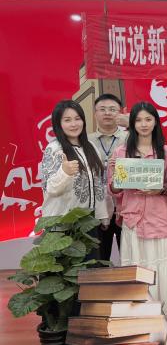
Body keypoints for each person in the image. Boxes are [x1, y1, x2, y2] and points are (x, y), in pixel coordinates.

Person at [108, 102, 167, 318]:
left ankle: (164, 313)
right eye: (138, 120)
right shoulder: (121, 152)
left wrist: (160, 190)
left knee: (161, 267)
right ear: (132, 123)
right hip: (133, 221)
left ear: (156, 122)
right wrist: (118, 180)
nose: (144, 124)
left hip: (160, 221)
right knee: (136, 267)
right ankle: (137, 316)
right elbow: (113, 190)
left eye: (148, 119)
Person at [41, 100, 109, 250]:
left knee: (93, 264)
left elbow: (98, 185)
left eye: (77, 119)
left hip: (89, 224)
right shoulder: (54, 149)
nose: (73, 124)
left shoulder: (91, 147)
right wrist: (64, 173)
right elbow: (50, 188)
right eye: (67, 120)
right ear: (58, 124)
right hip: (63, 226)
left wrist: (102, 215)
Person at [89, 93, 128, 263]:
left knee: (129, 257)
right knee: (99, 259)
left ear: (120, 113)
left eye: (112, 109)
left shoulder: (131, 137)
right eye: (102, 109)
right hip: (97, 207)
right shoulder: (86, 141)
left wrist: (131, 124)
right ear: (95, 114)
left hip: (125, 205)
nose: (107, 113)